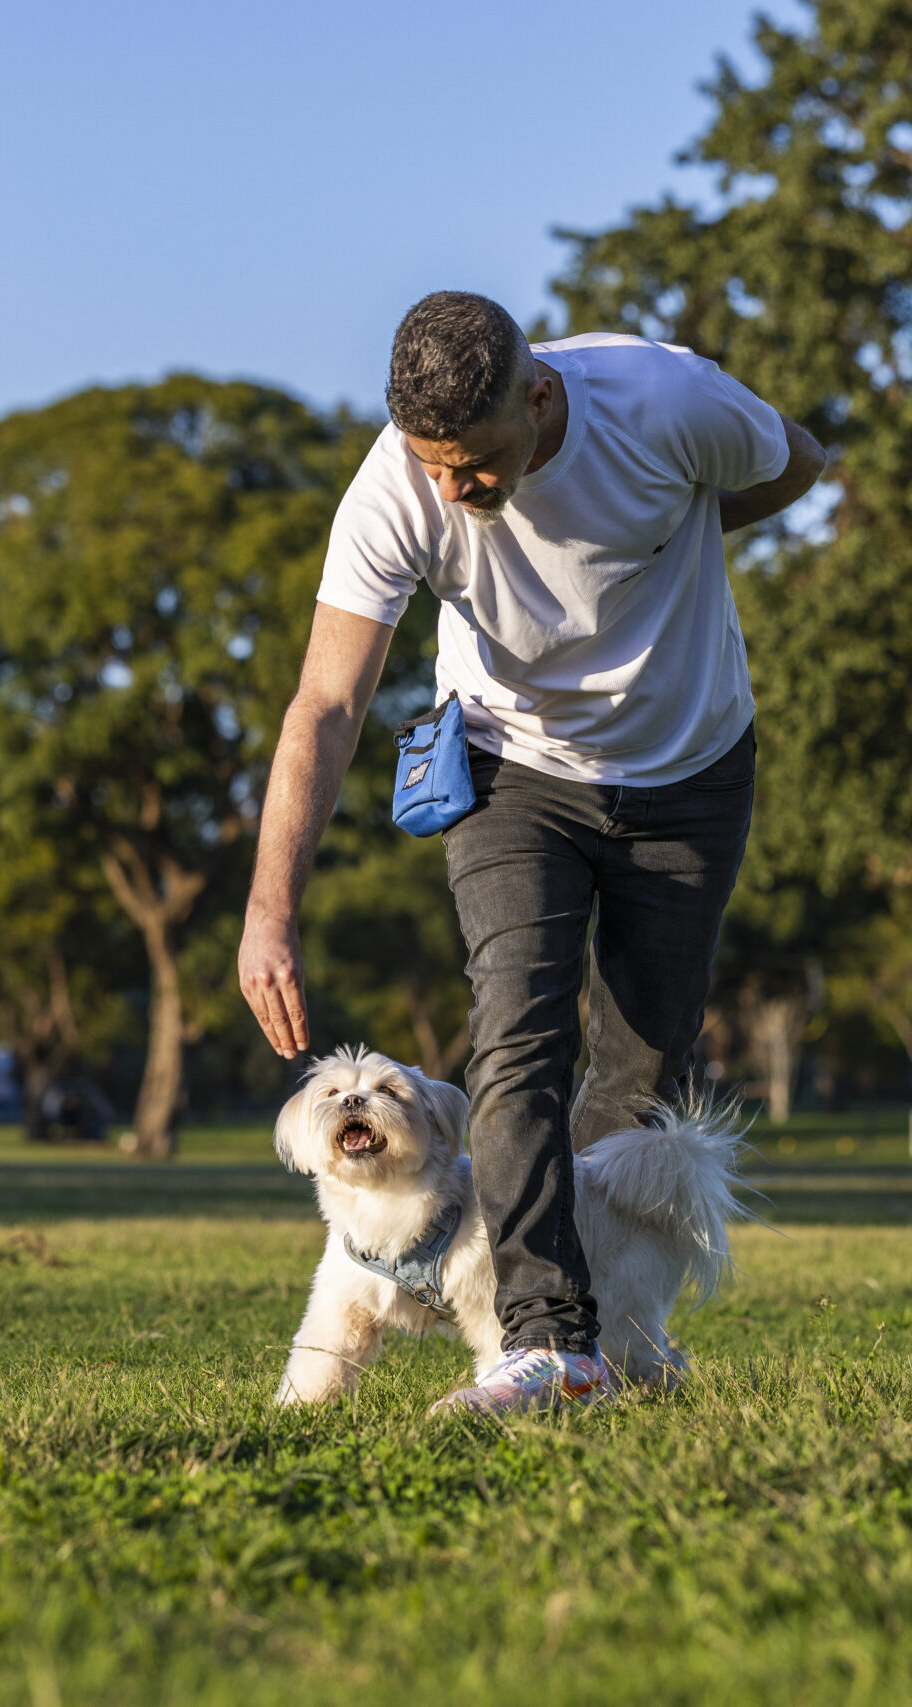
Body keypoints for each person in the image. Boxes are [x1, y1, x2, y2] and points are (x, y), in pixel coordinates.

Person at [237, 291, 825, 1415]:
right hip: (511, 773)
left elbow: (794, 459)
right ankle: (544, 1340)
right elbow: (324, 701)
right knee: (517, 1030)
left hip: (691, 771)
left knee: (642, 1068)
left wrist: (677, 528)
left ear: (540, 396)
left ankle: (605, 1340)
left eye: (478, 462)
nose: (455, 490)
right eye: (433, 465)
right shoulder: (396, 488)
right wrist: (270, 910)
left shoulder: (665, 401)